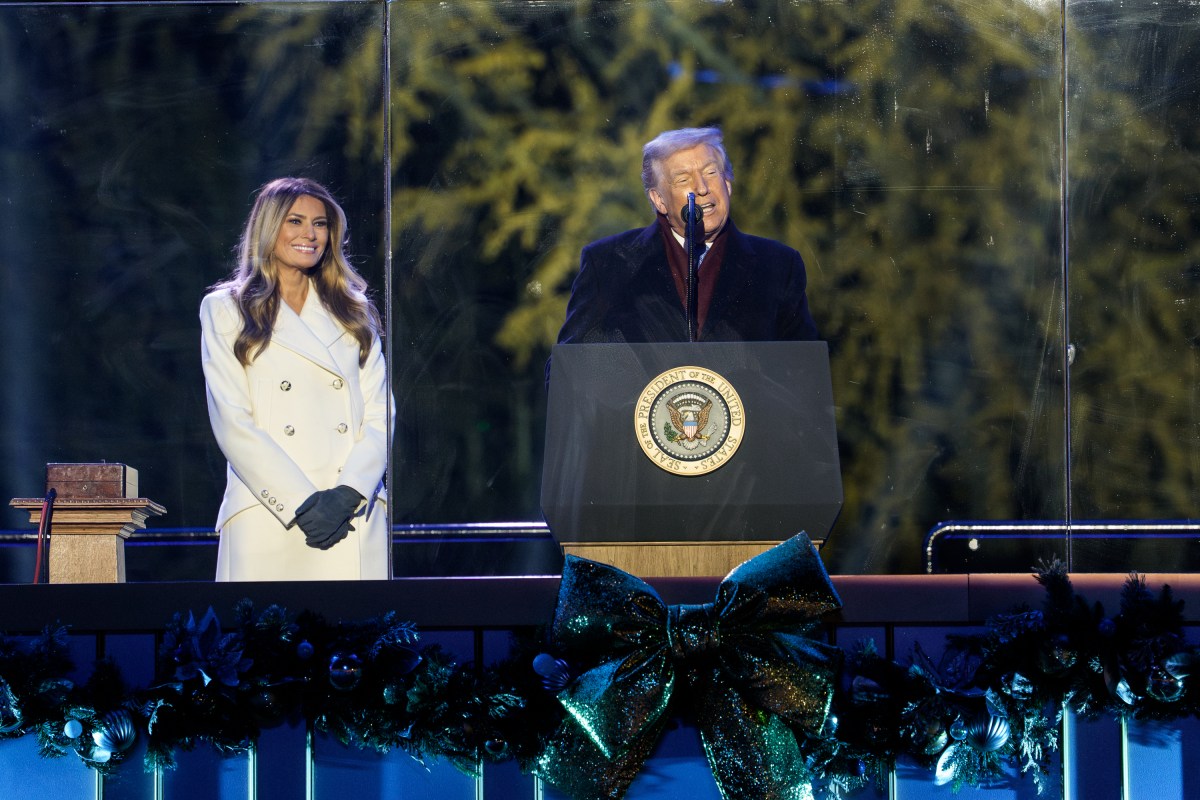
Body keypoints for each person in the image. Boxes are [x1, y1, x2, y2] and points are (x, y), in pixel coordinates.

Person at [200, 177, 392, 581]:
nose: (310, 234)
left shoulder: (355, 312)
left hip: (350, 515)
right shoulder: (227, 310)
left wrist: (349, 493)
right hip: (269, 514)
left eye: (320, 224)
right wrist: (301, 504)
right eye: (296, 221)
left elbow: (381, 415)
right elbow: (233, 421)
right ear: (270, 227)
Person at [556, 126, 818, 344]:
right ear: (659, 200)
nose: (702, 188)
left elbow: (803, 375)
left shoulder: (779, 265)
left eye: (710, 173)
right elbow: (568, 371)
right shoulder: (607, 263)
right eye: (683, 180)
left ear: (727, 184)